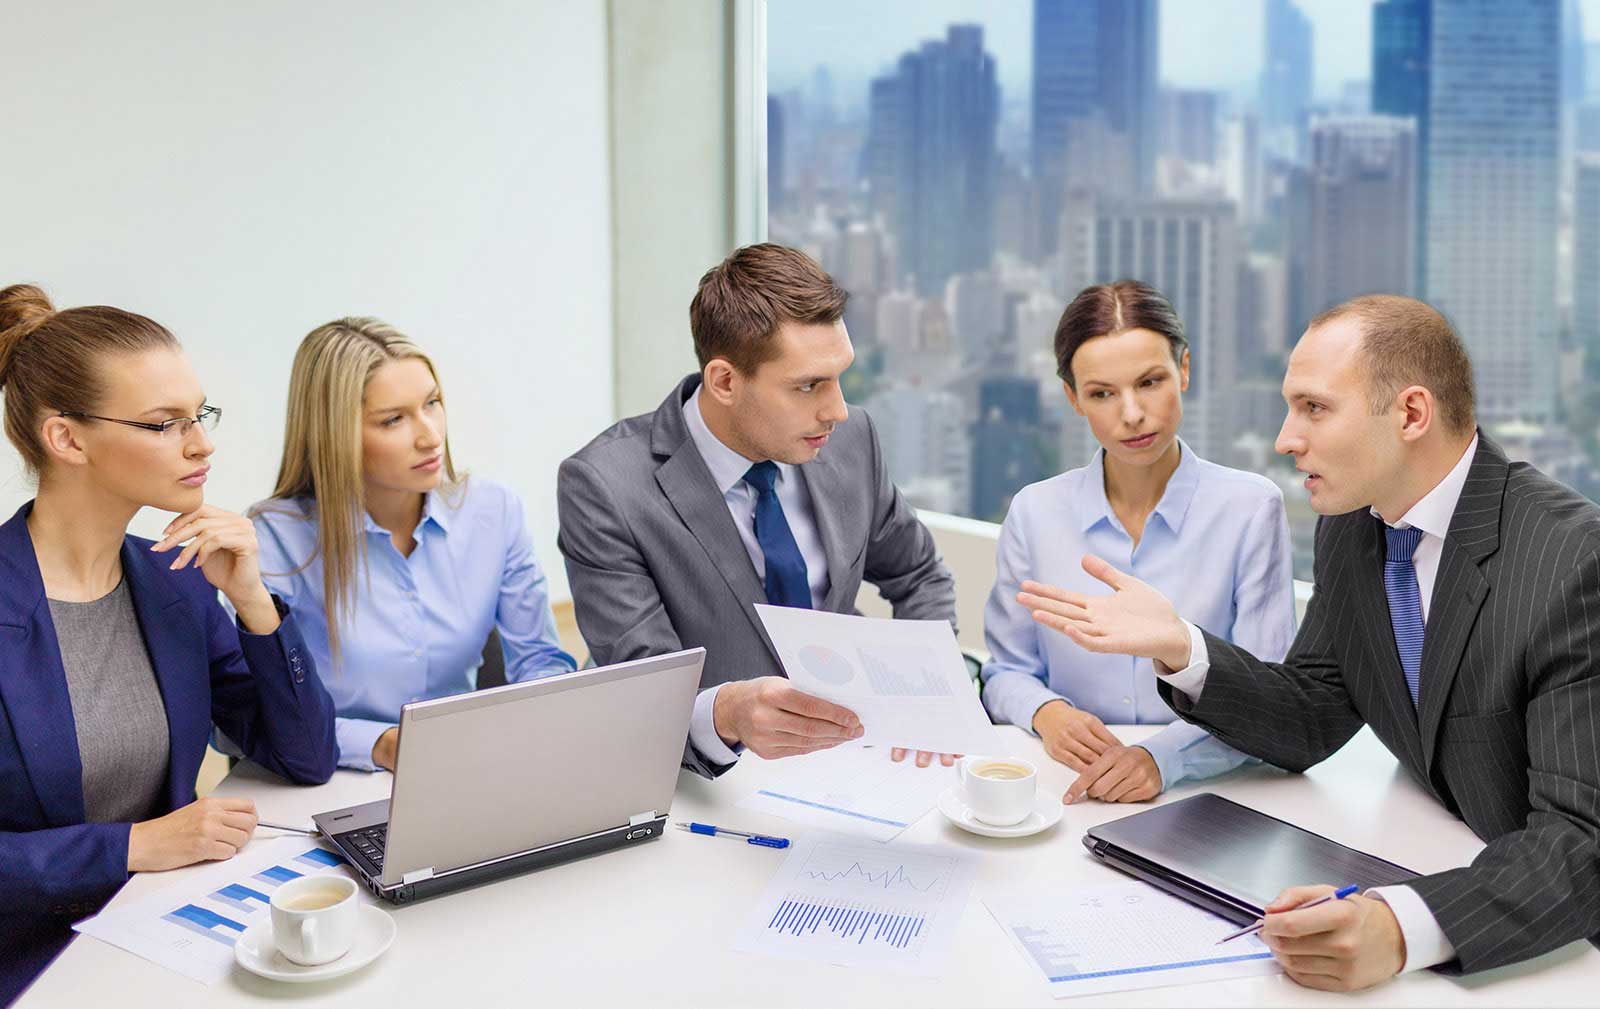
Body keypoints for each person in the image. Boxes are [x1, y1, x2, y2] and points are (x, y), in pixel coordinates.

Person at [1020, 295, 1600, 990]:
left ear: (1412, 414)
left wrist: (1397, 926)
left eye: (1314, 409)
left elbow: (1581, 846)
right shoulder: (1354, 527)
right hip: (1441, 855)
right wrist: (1183, 647)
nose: (1285, 439)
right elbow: (1316, 710)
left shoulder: (1571, 564)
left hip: (1559, 950)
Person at [0, 285, 337, 1004]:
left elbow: (303, 756)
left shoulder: (173, 580)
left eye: (200, 415)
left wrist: (252, 600)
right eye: (164, 424)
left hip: (167, 938)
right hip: (32, 962)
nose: (202, 443)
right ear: (67, 438)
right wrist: (135, 845)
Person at [558, 243, 958, 777]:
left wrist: (921, 700)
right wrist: (726, 714)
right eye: (808, 385)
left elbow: (920, 574)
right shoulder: (605, 486)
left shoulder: (850, 438)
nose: (837, 409)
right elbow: (643, 686)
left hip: (853, 764)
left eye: (840, 376)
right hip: (700, 778)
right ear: (724, 381)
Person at [981, 281, 1295, 804]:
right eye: (1102, 393)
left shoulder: (1251, 508)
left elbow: (1267, 695)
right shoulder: (1035, 512)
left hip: (1212, 789)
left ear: (1184, 370)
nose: (1131, 414)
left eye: (1149, 382)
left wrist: (1163, 758)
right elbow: (1005, 670)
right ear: (1073, 398)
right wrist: (1047, 713)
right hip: (1065, 782)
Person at [248, 317, 575, 772]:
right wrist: (380, 744)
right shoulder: (276, 539)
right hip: (325, 780)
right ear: (335, 435)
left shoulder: (493, 512)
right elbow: (251, 721)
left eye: (432, 403)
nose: (429, 435)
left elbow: (540, 663)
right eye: (394, 420)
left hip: (463, 770)